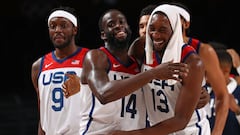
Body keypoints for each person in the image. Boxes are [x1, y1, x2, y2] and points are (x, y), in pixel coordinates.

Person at [78, 9, 189, 135]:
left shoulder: (138, 65)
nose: (118, 26)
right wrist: (153, 73)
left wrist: (195, 95)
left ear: (129, 29)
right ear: (103, 35)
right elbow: (104, 94)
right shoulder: (96, 56)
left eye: (122, 22)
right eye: (111, 24)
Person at [109, 4, 209, 135]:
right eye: (152, 29)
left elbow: (180, 121)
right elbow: (128, 80)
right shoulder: (140, 47)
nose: (155, 35)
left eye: (162, 30)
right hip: (156, 129)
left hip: (190, 130)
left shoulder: (192, 61)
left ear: (174, 30)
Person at [169, 2, 229, 135]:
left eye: (173, 18)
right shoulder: (152, 49)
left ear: (186, 23)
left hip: (193, 129)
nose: (169, 22)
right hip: (160, 126)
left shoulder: (203, 51)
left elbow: (222, 96)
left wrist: (217, 132)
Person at [31, 6, 89, 135]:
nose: (57, 30)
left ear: (74, 29)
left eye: (63, 25)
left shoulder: (90, 58)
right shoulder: (38, 66)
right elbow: (43, 113)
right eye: (53, 26)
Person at [205, 49, 240, 135]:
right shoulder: (207, 92)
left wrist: (237, 111)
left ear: (226, 71)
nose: (208, 74)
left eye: (213, 71)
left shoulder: (238, 92)